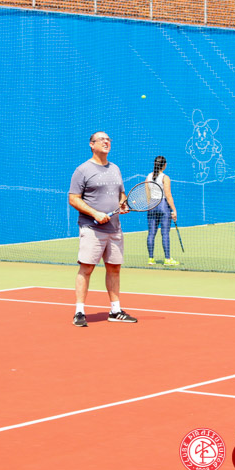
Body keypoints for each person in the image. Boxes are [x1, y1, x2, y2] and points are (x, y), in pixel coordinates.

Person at [68, 132, 136, 327]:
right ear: (92, 144)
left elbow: (121, 193)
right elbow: (73, 198)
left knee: (114, 268)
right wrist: (95, 213)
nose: (107, 142)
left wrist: (123, 203)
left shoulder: (115, 168)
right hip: (92, 228)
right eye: (102, 139)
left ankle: (115, 310)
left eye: (109, 140)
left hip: (114, 228)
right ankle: (79, 312)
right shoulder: (82, 170)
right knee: (87, 268)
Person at [145, 156, 179, 266]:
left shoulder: (148, 176)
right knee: (165, 233)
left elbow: (148, 194)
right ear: (164, 165)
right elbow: (168, 195)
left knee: (151, 233)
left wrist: (150, 206)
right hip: (163, 206)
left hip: (152, 206)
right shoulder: (165, 177)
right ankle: (167, 259)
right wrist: (174, 210)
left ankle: (151, 259)